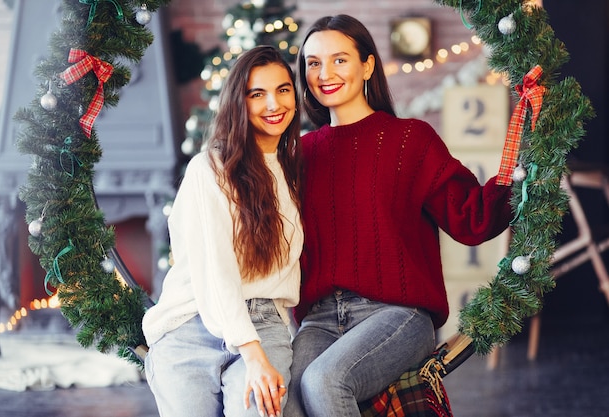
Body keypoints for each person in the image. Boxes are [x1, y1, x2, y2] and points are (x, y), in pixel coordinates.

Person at [284, 14, 513, 417]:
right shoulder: (299, 155)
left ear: (367, 65)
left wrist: (518, 172)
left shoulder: (410, 139)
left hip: (397, 315)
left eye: (339, 60)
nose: (324, 74)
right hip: (319, 319)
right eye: (313, 63)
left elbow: (470, 218)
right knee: (286, 397)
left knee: (324, 381)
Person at [142, 45, 303, 417]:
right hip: (191, 326)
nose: (273, 104)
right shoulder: (210, 169)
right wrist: (253, 356)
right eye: (257, 94)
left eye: (282, 89)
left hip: (265, 322)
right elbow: (215, 268)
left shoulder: (294, 170)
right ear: (239, 102)